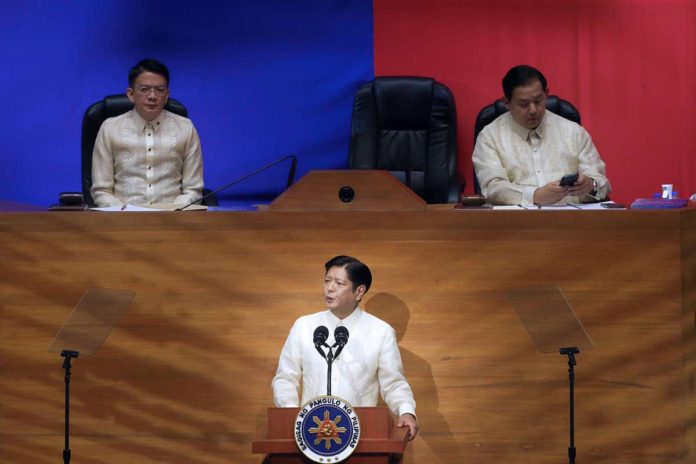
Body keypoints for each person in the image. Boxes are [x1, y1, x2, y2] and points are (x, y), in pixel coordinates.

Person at [272, 255, 419, 440]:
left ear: (359, 291)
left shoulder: (381, 332)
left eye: (339, 283)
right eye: (327, 281)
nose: (330, 288)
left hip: (362, 436)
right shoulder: (304, 326)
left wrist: (406, 411)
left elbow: (394, 383)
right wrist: (291, 415)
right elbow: (285, 377)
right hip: (309, 434)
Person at [473, 65, 610, 206]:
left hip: (573, 220)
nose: (533, 110)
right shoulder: (490, 137)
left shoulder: (573, 132)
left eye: (538, 101)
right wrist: (534, 196)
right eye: (523, 104)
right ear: (507, 102)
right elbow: (492, 188)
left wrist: (591, 185)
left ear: (547, 94)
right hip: (518, 223)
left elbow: (603, 184)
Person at [91, 58, 203, 207]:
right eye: (144, 89)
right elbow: (102, 191)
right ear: (131, 94)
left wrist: (175, 212)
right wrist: (125, 213)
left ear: (167, 95)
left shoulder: (186, 128)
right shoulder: (110, 128)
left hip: (174, 221)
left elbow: (193, 189)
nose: (152, 96)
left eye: (159, 90)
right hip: (121, 221)